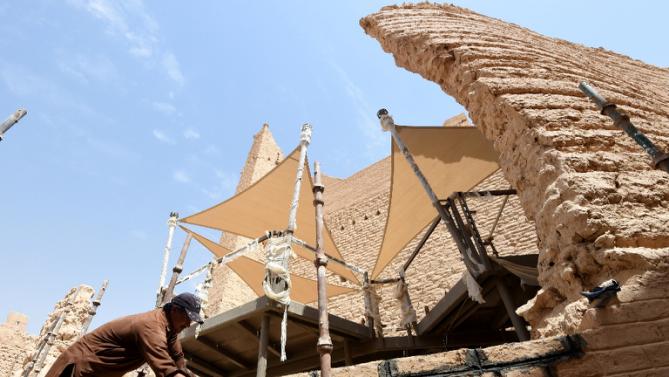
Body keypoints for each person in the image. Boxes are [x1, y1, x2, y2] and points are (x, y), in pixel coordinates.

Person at [45, 292, 204, 377]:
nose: (188, 324)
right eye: (187, 318)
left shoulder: (170, 327)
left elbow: (177, 358)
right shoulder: (151, 327)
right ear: (175, 310)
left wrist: (185, 371)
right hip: (80, 367)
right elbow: (165, 370)